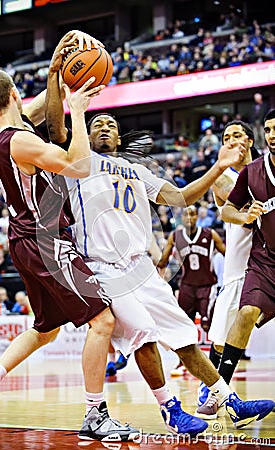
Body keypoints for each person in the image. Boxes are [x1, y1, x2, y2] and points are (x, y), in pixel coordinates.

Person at [0, 31, 138, 443]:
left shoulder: (7, 130)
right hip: (46, 242)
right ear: (14, 93)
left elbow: (41, 104)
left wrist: (57, 67)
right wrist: (77, 110)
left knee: (46, 329)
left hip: (24, 241)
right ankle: (95, 414)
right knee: (102, 320)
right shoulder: (21, 140)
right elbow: (76, 165)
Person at [63, 112, 274, 432]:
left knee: (185, 338)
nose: (104, 128)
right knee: (144, 334)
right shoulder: (80, 163)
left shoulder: (136, 170)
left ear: (120, 138)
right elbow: (55, 124)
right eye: (97, 126)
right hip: (104, 268)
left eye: (111, 126)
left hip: (141, 267)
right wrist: (75, 105)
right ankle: (170, 409)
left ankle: (230, 402)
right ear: (86, 137)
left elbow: (179, 197)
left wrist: (218, 166)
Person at [199, 109, 275, 420]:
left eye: (237, 137)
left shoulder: (255, 169)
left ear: (249, 141)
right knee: (224, 337)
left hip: (255, 259)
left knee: (228, 337)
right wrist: (246, 213)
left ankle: (221, 397)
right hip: (242, 268)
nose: (232, 143)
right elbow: (229, 206)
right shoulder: (227, 177)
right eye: (226, 138)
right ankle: (218, 395)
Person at [157, 205, 225, 376]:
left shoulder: (210, 234)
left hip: (207, 286)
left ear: (198, 217)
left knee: (207, 324)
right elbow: (163, 261)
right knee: (183, 328)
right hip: (186, 286)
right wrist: (159, 276)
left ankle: (215, 364)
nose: (190, 218)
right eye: (186, 215)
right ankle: (182, 363)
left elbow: (228, 255)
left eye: (193, 215)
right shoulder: (175, 236)